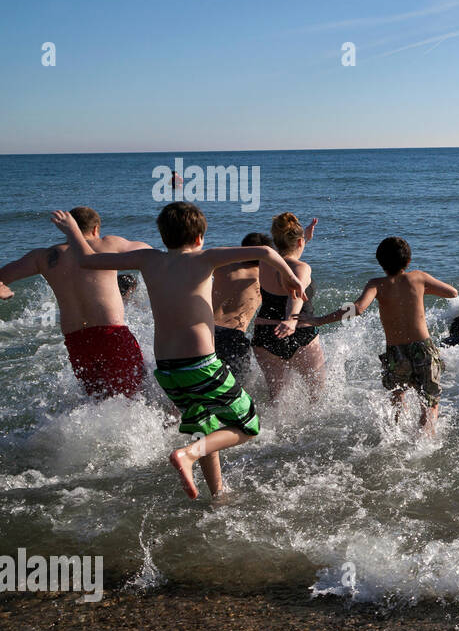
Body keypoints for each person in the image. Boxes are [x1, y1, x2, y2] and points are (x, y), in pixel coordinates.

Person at [51, 202, 304, 498]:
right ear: (199, 237)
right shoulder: (205, 258)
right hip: (201, 364)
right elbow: (265, 252)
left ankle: (217, 493)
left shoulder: (147, 259)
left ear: (162, 235)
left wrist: (72, 230)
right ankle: (188, 455)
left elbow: (86, 259)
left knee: (205, 425)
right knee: (249, 425)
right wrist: (291, 277)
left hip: (168, 370)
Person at [304, 237, 457, 436]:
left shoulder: (376, 284)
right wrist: (422, 290)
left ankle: (396, 437)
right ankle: (424, 441)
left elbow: (358, 308)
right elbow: (452, 293)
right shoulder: (418, 277)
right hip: (423, 349)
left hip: (396, 353)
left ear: (380, 262)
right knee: (429, 403)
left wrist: (319, 320)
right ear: (408, 261)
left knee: (397, 398)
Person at [0, 206, 153, 399]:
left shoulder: (44, 257)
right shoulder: (108, 244)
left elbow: (3, 276)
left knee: (97, 400)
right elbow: (153, 254)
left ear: (66, 228)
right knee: (136, 392)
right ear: (96, 229)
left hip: (77, 342)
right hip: (111, 334)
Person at [251, 214, 324, 401]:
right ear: (299, 242)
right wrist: (290, 320)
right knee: (317, 396)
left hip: (265, 335)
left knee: (276, 398)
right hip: (299, 333)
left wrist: (304, 237)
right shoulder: (302, 268)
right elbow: (295, 294)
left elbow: (283, 259)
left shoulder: (264, 263)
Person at [211, 232, 272, 381]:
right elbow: (290, 260)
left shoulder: (222, 266)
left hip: (207, 330)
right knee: (237, 384)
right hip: (233, 336)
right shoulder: (264, 277)